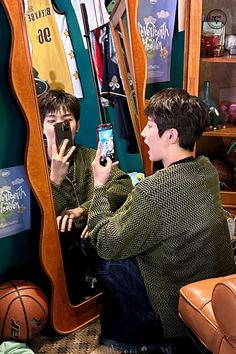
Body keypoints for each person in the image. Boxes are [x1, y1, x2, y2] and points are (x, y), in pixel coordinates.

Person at [84, 88, 236, 353]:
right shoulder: (206, 169)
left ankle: (132, 339)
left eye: (150, 126)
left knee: (98, 248)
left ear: (171, 135)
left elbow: (107, 242)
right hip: (209, 284)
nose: (143, 133)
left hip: (174, 306)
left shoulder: (153, 190)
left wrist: (99, 186)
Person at [38, 89, 133, 303]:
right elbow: (39, 218)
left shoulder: (89, 156)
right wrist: (54, 179)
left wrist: (87, 210)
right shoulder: (33, 165)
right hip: (60, 251)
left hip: (94, 242)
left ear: (77, 125)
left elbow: (123, 183)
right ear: (41, 126)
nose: (59, 127)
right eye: (51, 121)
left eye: (67, 120)